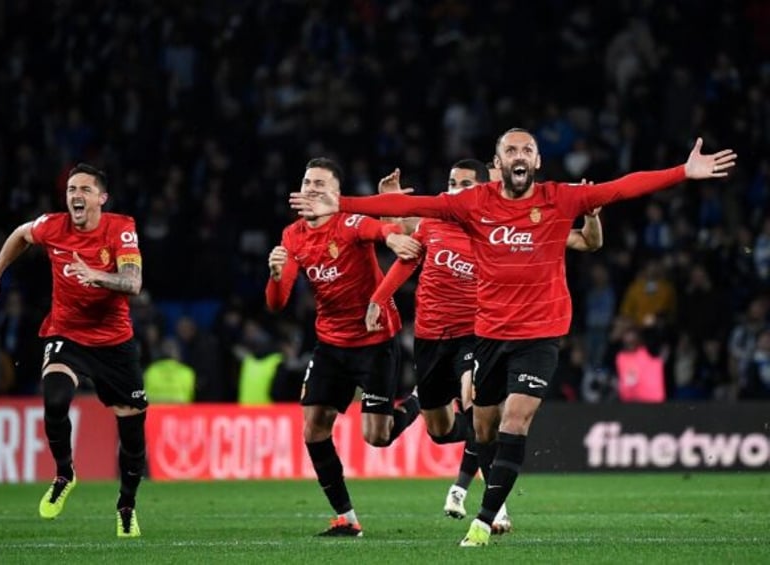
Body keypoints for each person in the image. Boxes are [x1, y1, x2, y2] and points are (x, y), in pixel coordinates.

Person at [290, 131, 736, 546]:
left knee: (513, 422)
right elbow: (421, 207)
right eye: (511, 150)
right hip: (487, 333)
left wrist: (683, 171)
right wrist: (341, 204)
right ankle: (460, 454)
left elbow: (622, 186)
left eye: (527, 150)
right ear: (499, 163)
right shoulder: (471, 206)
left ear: (537, 161)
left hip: (536, 334)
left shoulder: (559, 199)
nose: (519, 156)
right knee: (471, 429)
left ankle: (485, 519)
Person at [368, 160, 602, 527]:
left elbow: (587, 242)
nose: (454, 189)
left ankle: (496, 508)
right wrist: (389, 198)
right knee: (440, 431)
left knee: (477, 401)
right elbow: (402, 232)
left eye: (464, 184)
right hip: (430, 338)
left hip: (476, 334)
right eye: (450, 182)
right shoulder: (435, 222)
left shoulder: (500, 228)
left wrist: (589, 216)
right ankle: (423, 405)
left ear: (480, 189)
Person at [0, 163, 147, 538]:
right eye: (71, 189)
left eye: (84, 189)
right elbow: (21, 235)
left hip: (114, 342)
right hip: (66, 333)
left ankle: (126, 506)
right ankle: (64, 474)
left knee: (133, 435)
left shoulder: (121, 228)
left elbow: (133, 283)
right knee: (54, 398)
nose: (75, 196)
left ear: (102, 198)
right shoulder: (53, 226)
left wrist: (98, 275)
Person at [266, 157, 423, 537]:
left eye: (321, 184)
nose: (312, 189)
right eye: (307, 182)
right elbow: (277, 302)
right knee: (314, 428)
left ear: (336, 193)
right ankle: (346, 518)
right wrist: (274, 276)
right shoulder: (292, 237)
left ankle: (418, 401)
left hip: (376, 342)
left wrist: (393, 235)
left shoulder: (349, 222)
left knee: (377, 437)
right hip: (331, 344)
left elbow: (376, 229)